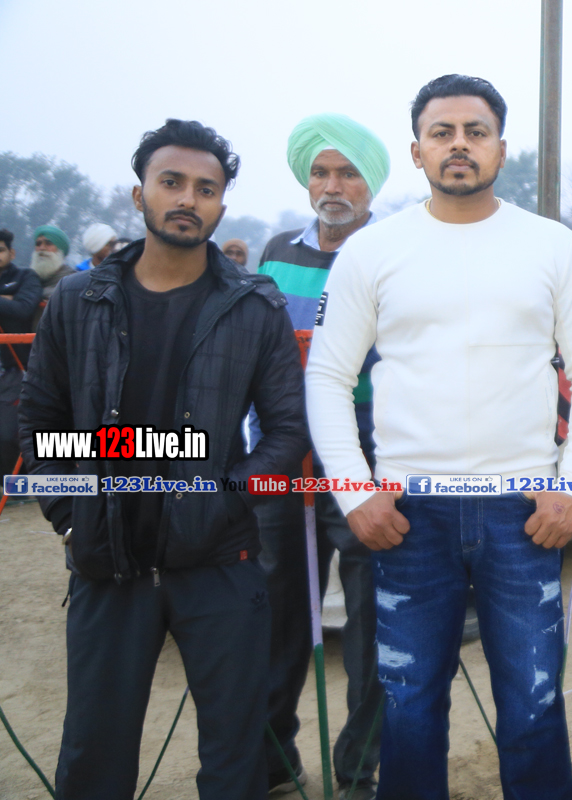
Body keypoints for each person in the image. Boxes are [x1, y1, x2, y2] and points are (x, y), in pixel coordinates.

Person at [304, 74, 572, 800]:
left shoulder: (550, 244)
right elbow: (327, 376)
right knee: (410, 706)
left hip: (524, 511)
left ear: (501, 148)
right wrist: (354, 493)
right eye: (441, 133)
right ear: (417, 151)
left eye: (476, 132)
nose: (459, 145)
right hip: (408, 513)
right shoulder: (372, 251)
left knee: (533, 702)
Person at [18, 118, 308, 800]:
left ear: (221, 205)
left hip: (221, 565)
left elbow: (286, 433)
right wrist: (70, 515)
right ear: (138, 194)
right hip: (106, 561)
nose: (187, 198)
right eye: (171, 181)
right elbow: (41, 423)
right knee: (94, 751)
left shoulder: (254, 305)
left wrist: (227, 499)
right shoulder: (78, 300)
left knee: (235, 752)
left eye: (206, 189)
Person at [256, 112, 390, 799]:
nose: (333, 186)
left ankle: (359, 770)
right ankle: (274, 761)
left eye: (347, 173)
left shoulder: (395, 248)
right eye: (320, 172)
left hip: (366, 444)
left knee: (370, 616)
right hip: (284, 444)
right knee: (275, 607)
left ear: (372, 183)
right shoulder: (277, 250)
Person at [0, 229, 41, 476]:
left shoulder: (26, 276)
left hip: (18, 368)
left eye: (0, 250)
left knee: (8, 434)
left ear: (12, 253)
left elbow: (24, 308)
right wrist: (6, 300)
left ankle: (17, 486)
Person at [30, 224, 77, 299]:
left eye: (48, 243)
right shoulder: (27, 280)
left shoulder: (72, 281)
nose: (42, 248)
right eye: (38, 244)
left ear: (60, 251)